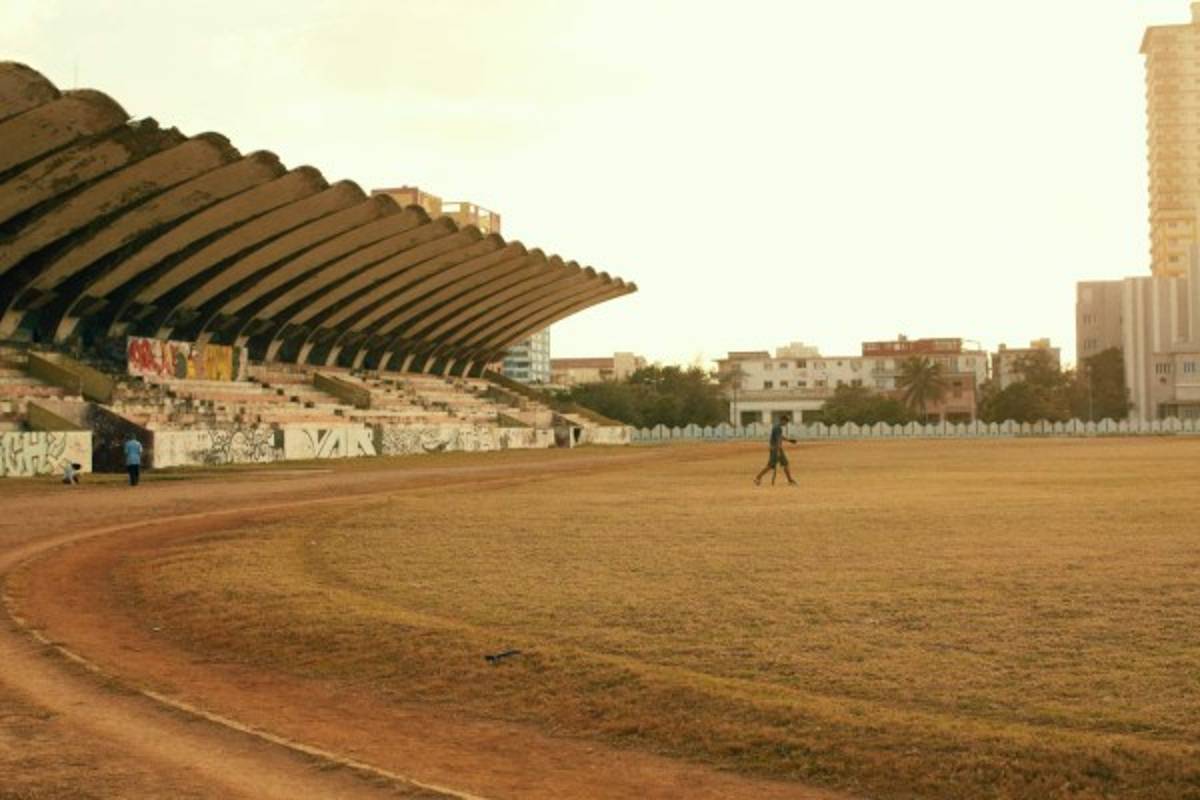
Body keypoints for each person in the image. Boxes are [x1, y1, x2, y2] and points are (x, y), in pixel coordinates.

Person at [754, 415, 799, 487]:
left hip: (776, 449)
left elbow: (780, 437)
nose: (786, 424)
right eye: (786, 422)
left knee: (785, 464)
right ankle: (757, 478)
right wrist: (778, 451)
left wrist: (789, 440)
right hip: (776, 449)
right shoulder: (778, 428)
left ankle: (790, 480)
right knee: (770, 466)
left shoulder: (777, 427)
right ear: (783, 420)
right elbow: (778, 440)